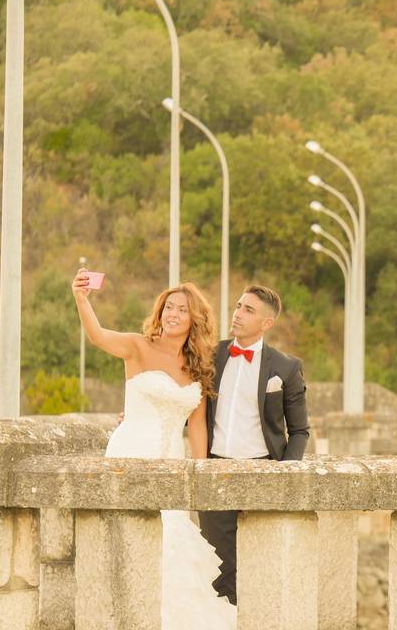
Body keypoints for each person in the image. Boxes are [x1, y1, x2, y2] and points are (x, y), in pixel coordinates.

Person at [71, 268, 235, 630]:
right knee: (129, 538)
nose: (172, 314)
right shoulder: (138, 346)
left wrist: (201, 472)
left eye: (181, 309)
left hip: (172, 464)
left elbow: (197, 426)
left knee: (172, 543)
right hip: (130, 450)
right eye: (168, 307)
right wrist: (82, 299)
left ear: (195, 319)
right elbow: (97, 336)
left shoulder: (198, 367)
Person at [198, 284, 310, 605]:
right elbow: (187, 406)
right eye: (237, 306)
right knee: (218, 572)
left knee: (263, 568)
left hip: (263, 472)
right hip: (215, 472)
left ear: (266, 323)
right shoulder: (212, 355)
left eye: (248, 310)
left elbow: (300, 430)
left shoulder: (285, 368)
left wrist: (285, 477)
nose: (237, 314)